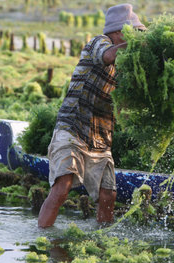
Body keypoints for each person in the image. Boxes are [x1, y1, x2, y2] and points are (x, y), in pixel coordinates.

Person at [38, 4, 147, 228]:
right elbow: (108, 56)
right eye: (133, 32)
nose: (135, 37)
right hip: (72, 128)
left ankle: (101, 241)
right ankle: (43, 238)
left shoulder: (126, 64)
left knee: (108, 195)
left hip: (100, 136)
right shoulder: (99, 43)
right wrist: (138, 45)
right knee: (63, 185)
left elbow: (126, 103)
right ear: (120, 32)